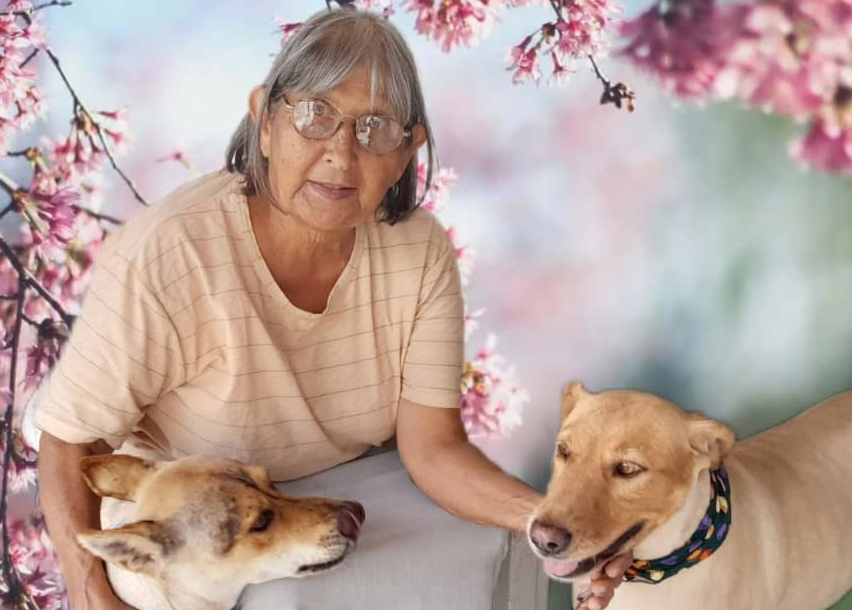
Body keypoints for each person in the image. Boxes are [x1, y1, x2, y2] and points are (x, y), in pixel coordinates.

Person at [34, 8, 628, 610]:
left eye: (375, 129)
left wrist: (555, 524)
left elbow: (431, 450)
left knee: (491, 543)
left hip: (344, 480)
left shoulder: (419, 251)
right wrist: (90, 593)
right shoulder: (171, 253)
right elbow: (68, 440)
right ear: (265, 121)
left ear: (408, 151)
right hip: (191, 506)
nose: (341, 155)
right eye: (314, 116)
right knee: (279, 598)